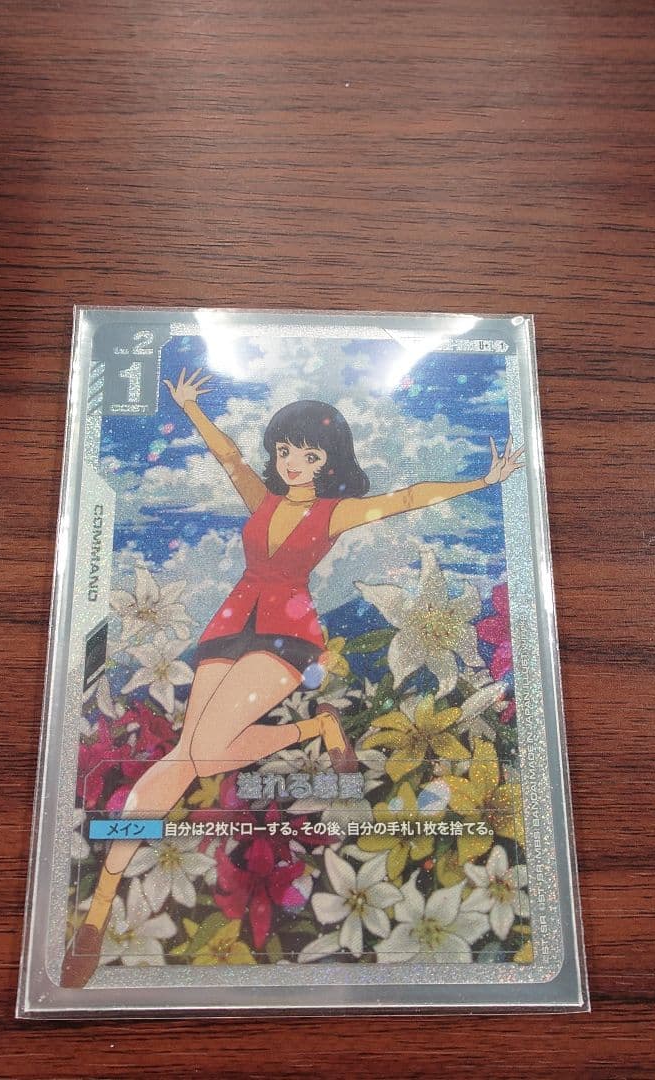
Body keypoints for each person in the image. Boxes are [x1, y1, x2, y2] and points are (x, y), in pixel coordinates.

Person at [61, 367, 523, 986]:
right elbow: (228, 457)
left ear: (328, 462)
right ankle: (98, 912)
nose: (292, 463)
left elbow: (407, 498)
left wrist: (483, 481)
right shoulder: (263, 500)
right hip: (229, 626)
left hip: (287, 634)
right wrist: (190, 408)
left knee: (197, 754)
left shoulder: (333, 514)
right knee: (188, 756)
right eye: (284, 450)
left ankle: (98, 911)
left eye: (308, 454)